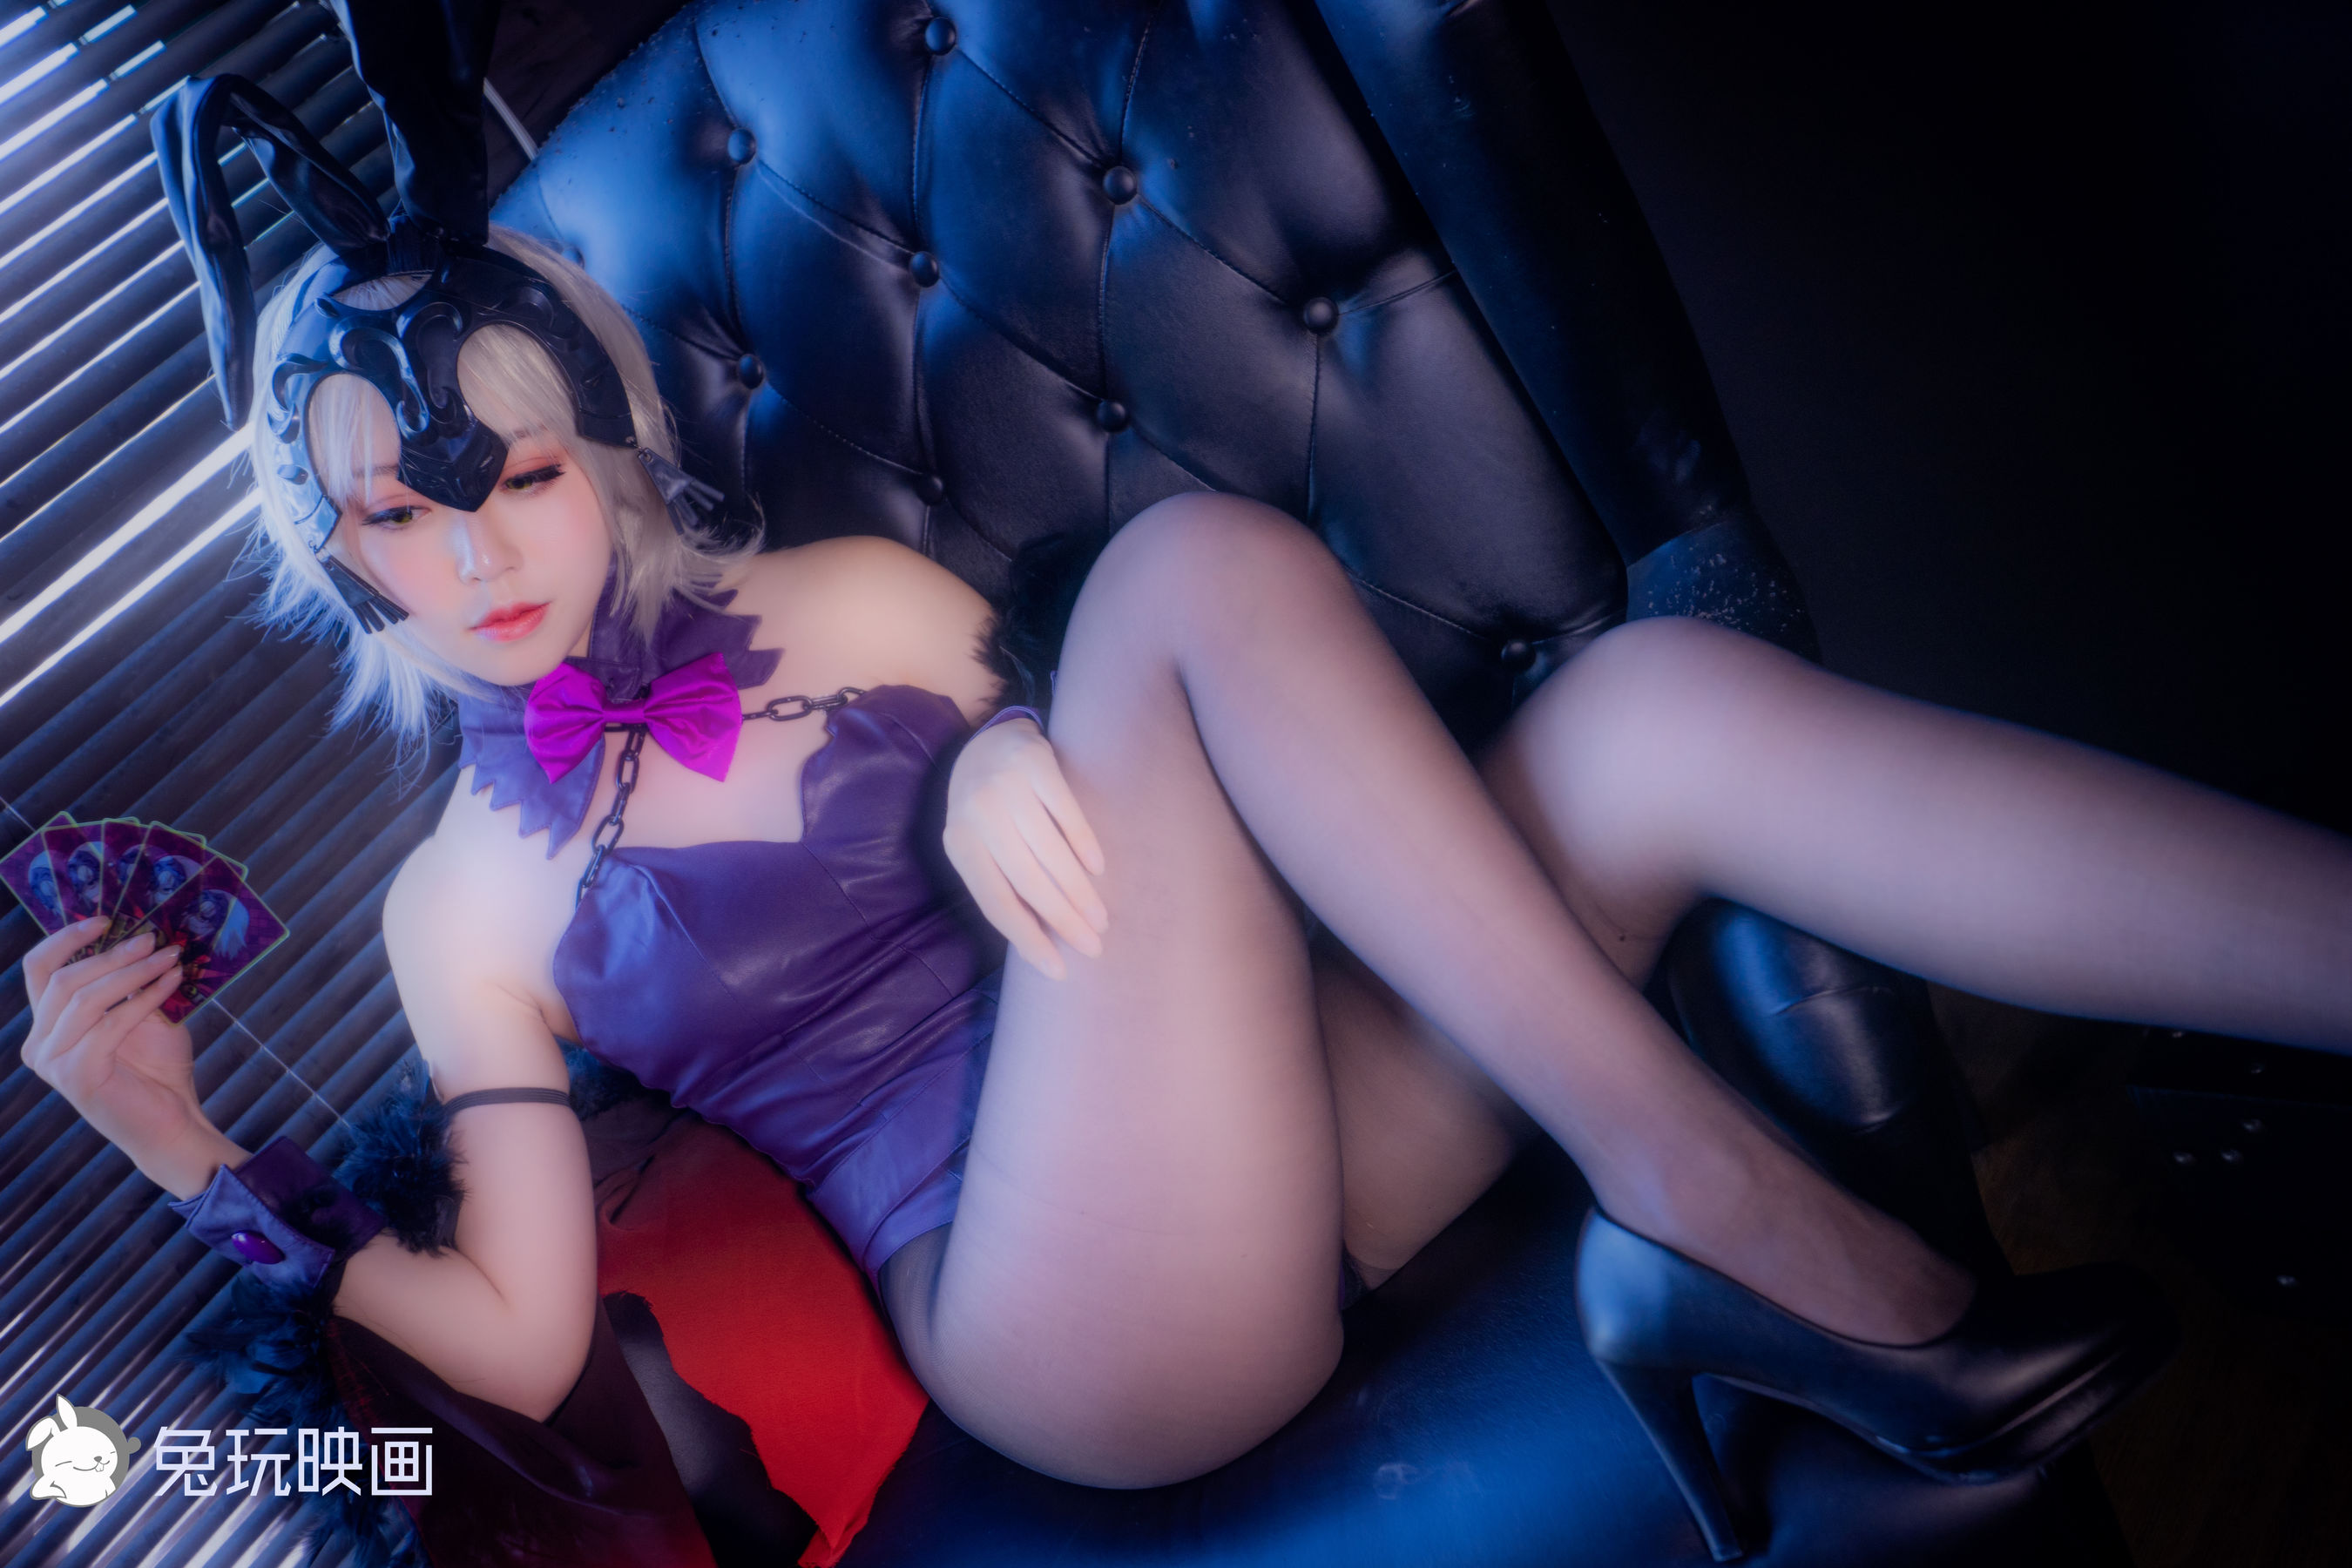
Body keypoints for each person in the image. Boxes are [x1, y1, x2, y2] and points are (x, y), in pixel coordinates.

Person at [24, 45, 2351, 1565]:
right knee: (1181, 582)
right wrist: (184, 1150)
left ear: (608, 444)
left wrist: (1008, 736)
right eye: (398, 521)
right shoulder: (460, 907)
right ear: (332, 556)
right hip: (1071, 1328)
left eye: (516, 476)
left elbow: (1178, 757)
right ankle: (1710, 1204)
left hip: (1295, 1114)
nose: (476, 562)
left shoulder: (845, 597)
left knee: (1654, 712)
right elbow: (528, 1354)